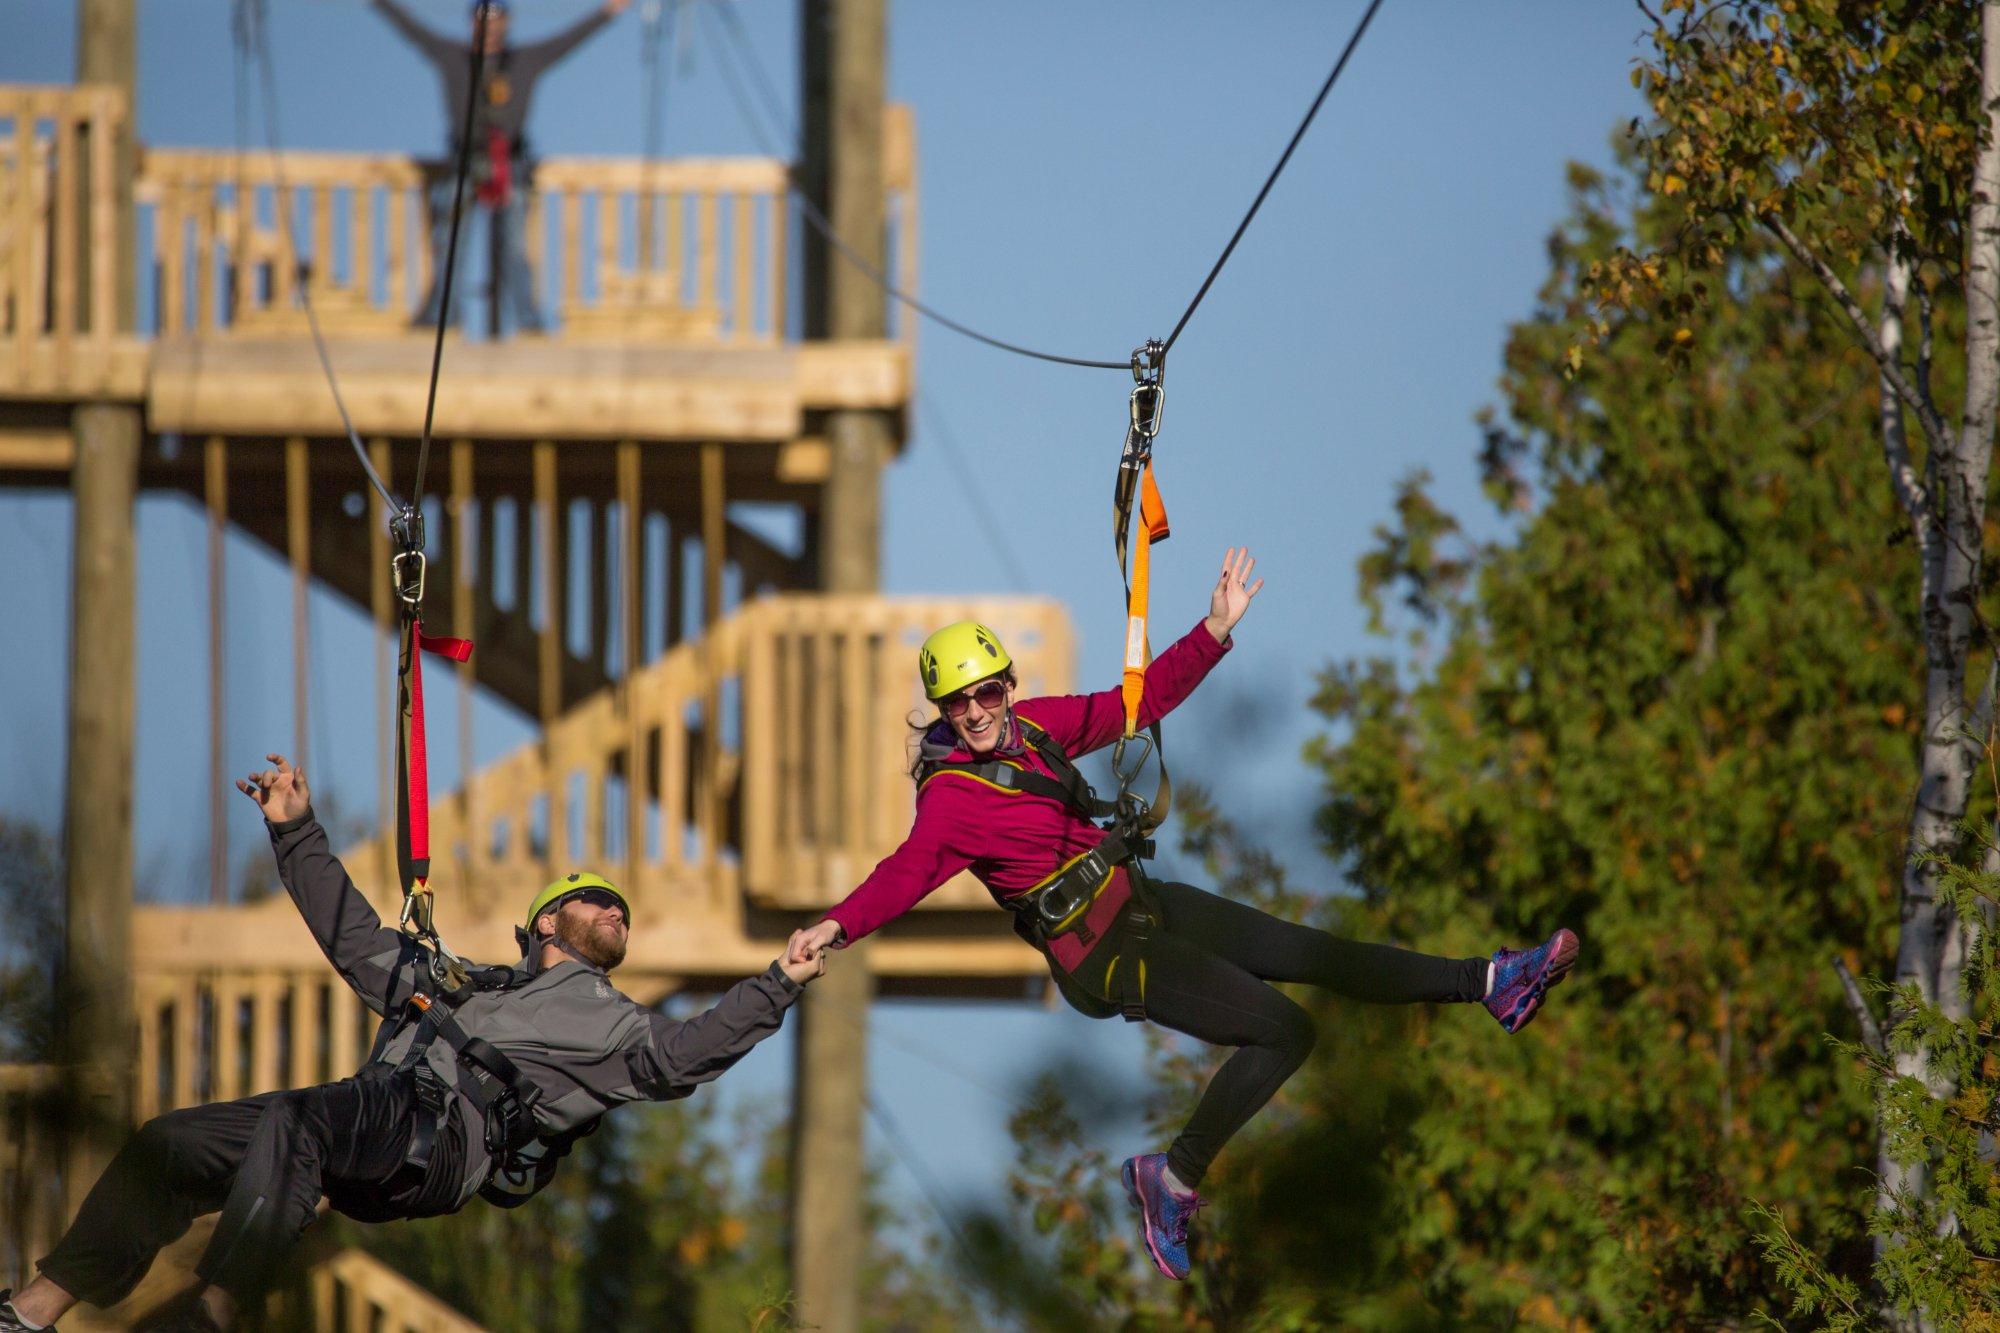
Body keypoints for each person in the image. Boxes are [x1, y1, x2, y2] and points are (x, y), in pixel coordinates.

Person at [785, 548, 1580, 1281]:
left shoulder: (1040, 729)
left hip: (1147, 906)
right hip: (1103, 956)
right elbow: (905, 873)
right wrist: (832, 926)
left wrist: (1213, 629)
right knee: (1287, 1030)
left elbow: (1136, 702)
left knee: (1319, 952)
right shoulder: (953, 800)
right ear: (943, 713)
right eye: (957, 704)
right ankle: (1171, 1178)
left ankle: (1491, 981)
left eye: (986, 693)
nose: (976, 712)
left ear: (1009, 686)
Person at [1, 753, 821, 1331]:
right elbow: (355, 940)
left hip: (436, 1135)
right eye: (598, 902)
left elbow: (689, 1054)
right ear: (546, 922)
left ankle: (212, 1313)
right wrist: (295, 832)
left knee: (304, 1121)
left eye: (623, 913)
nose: (618, 913)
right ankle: (33, 1311)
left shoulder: (614, 1024)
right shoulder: (463, 984)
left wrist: (775, 983)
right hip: (380, 1121)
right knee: (168, 1144)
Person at [371, 0, 631, 333]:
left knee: (514, 247)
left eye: (496, 21)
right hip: (464, 161)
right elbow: (411, 29)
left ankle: (528, 320)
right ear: (472, 25)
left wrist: (606, 13)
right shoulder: (454, 57)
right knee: (451, 241)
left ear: (507, 24)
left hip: (511, 163)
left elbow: (569, 40)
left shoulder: (524, 61)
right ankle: (442, 314)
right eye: (483, 21)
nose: (490, 28)